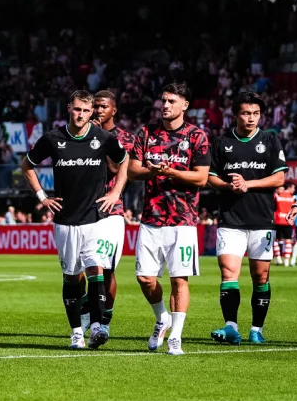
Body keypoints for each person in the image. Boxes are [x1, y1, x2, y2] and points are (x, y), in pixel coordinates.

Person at [21, 91, 128, 349]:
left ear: (92, 113)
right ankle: (76, 332)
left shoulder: (103, 138)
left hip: (95, 218)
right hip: (65, 220)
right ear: (69, 108)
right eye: (77, 109)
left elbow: (124, 161)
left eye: (85, 111)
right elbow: (27, 165)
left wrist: (115, 193)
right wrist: (42, 196)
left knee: (96, 271)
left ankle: (99, 327)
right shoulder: (53, 138)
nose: (80, 115)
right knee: (71, 277)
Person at [128, 83, 211, 355]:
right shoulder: (147, 133)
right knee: (144, 278)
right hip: (151, 218)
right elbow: (132, 172)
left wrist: (171, 172)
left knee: (179, 280)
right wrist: (153, 172)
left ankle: (176, 335)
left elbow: (201, 177)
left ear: (185, 105)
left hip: (183, 220)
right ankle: (162, 316)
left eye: (172, 101)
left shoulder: (197, 136)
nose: (165, 105)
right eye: (163, 100)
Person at [207, 91, 287, 345]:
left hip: (261, 220)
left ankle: (256, 329)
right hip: (231, 221)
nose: (251, 118)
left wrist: (248, 184)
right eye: (245, 113)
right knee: (228, 273)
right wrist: (228, 186)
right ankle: (231, 327)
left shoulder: (270, 141)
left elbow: (279, 178)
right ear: (236, 114)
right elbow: (209, 177)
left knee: (260, 277)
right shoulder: (221, 143)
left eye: (255, 114)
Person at [88, 91, 136, 336]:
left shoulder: (124, 138)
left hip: (111, 209)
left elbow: (118, 169)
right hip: (84, 209)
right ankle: (89, 312)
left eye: (103, 106)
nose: (98, 110)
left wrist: (101, 138)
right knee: (83, 268)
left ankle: (104, 318)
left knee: (106, 268)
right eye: (95, 106)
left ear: (113, 110)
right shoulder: (81, 133)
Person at [272, 184, 296, 266]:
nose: (294, 189)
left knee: (276, 240)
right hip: (288, 221)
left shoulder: (278, 196)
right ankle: (286, 260)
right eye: (293, 187)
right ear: (289, 187)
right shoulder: (292, 197)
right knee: (288, 240)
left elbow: (273, 208)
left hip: (278, 220)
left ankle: (278, 258)